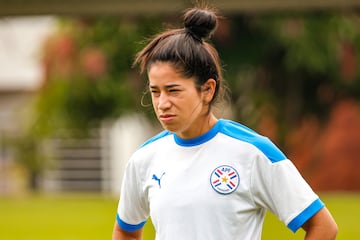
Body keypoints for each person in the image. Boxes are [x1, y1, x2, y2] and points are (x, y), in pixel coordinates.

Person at [112, 5, 338, 240]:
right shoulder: (144, 159)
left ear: (207, 90)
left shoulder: (253, 153)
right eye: (155, 92)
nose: (162, 103)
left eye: (173, 90)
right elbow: (125, 231)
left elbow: (322, 226)